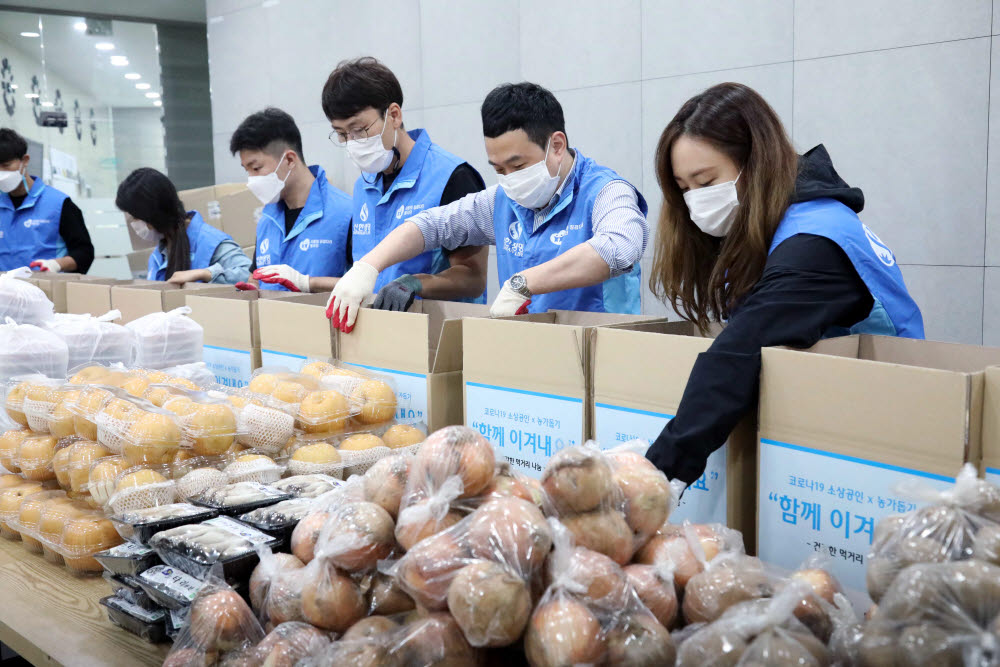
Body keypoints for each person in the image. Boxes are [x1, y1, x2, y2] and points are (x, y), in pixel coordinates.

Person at [643, 82, 924, 487]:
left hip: (886, 436)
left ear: (755, 163)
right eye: (684, 189)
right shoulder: (766, 226)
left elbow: (741, 348)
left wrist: (657, 474)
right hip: (822, 418)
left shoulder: (816, 242)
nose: (694, 202)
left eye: (705, 183)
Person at [327, 82, 648, 332]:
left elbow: (620, 246)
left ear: (557, 146)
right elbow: (431, 225)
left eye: (517, 164)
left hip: (599, 357)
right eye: (498, 169)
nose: (509, 179)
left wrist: (523, 284)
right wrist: (368, 266)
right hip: (531, 355)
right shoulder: (502, 200)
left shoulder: (606, 192)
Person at [323, 57, 488, 312]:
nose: (352, 142)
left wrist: (415, 283)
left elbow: (473, 278)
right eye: (342, 134)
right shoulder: (363, 186)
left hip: (435, 333)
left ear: (394, 115)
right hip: (377, 330)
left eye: (359, 130)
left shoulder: (452, 176)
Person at [230, 107, 352, 292]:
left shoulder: (345, 213)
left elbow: (370, 286)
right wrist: (252, 287)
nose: (251, 180)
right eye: (246, 170)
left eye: (256, 168)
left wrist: (307, 283)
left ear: (289, 160)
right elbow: (255, 275)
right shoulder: (267, 221)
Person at [116, 168, 250, 284]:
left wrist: (205, 274)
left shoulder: (211, 243)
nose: (134, 225)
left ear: (152, 214)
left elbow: (249, 275)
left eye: (135, 218)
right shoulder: (158, 255)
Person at [0, 128, 94, 273]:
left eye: (6, 166)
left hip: (47, 290)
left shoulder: (58, 204)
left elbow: (84, 252)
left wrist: (57, 264)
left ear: (24, 161)